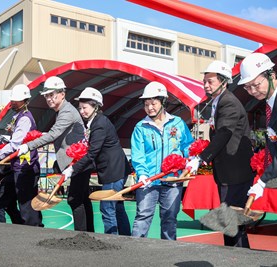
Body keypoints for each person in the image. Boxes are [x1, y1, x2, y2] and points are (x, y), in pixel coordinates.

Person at [186, 60, 255, 248]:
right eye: (204, 81)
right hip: (228, 172)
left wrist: (201, 158)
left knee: (232, 222)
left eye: (211, 81)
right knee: (230, 222)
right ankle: (235, 258)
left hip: (236, 172)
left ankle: (238, 259)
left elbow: (224, 133)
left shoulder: (229, 103)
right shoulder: (219, 101)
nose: (206, 85)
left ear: (224, 82)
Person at [18, 76, 94, 232]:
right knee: (82, 199)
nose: (49, 99)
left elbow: (53, 134)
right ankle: (88, 233)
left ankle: (82, 236)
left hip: (78, 162)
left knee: (75, 199)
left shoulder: (66, 112)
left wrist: (28, 146)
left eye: (52, 94)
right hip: (76, 161)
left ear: (62, 94)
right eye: (46, 95)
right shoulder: (62, 111)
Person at [60, 87, 131, 235]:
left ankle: (112, 240)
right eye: (80, 108)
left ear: (96, 106)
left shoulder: (99, 124)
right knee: (117, 206)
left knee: (107, 207)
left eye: (85, 108)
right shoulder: (94, 122)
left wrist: (72, 169)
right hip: (115, 169)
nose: (82, 111)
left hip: (114, 170)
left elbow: (92, 153)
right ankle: (126, 238)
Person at [131, 81, 194, 240]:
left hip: (172, 180)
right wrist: (142, 174)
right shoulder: (140, 127)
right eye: (146, 104)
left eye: (153, 103)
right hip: (149, 181)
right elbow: (138, 154)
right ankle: (132, 251)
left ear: (163, 102)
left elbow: (188, 145)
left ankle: (168, 253)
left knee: (170, 219)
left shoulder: (178, 123)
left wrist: (190, 160)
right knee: (143, 217)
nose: (150, 107)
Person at [0, 84, 43, 226]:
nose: (13, 103)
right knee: (23, 204)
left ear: (25, 101)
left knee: (27, 206)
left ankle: (34, 233)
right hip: (20, 167)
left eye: (17, 100)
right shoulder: (18, 117)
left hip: (26, 167)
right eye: (13, 100)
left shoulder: (24, 119)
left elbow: (15, 144)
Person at [237, 53, 277, 199]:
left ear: (272, 76)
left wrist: (262, 182)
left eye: (256, 85)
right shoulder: (270, 102)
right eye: (248, 87)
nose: (253, 91)